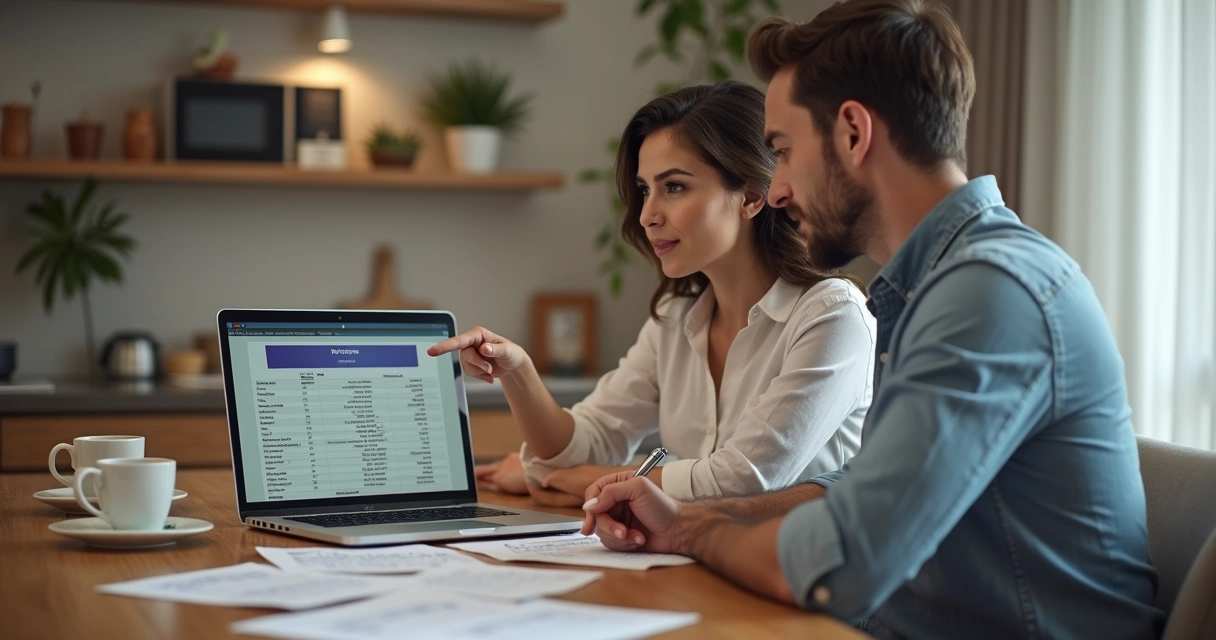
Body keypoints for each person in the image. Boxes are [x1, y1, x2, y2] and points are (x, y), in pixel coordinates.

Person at [579, 2, 1165, 638]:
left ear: (854, 133)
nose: (776, 190)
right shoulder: (932, 286)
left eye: (783, 152)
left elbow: (846, 559)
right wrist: (688, 517)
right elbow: (861, 487)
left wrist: (692, 531)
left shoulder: (989, 293)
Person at [428, 81, 874, 507]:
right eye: (645, 190)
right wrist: (517, 371)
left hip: (793, 561)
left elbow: (744, 479)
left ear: (752, 197)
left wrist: (588, 481)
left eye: (674, 187)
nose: (647, 215)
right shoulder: (675, 317)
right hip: (687, 553)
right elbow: (583, 444)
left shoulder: (832, 317)